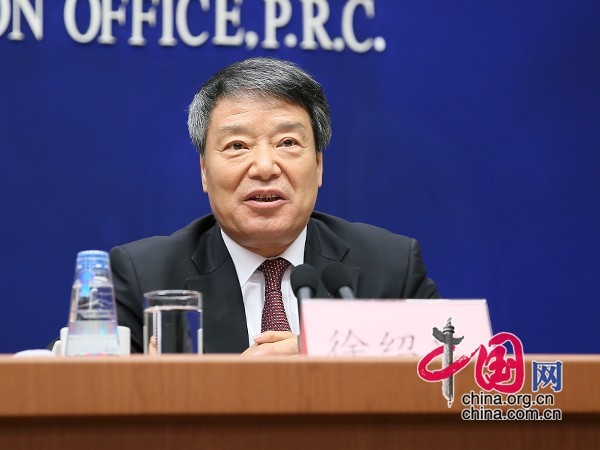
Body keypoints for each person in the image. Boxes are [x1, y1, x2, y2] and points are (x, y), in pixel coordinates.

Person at [110, 57, 439, 355]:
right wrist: (227, 387)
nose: (265, 167)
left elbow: (451, 374)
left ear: (319, 165)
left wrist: (324, 358)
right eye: (237, 146)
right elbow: (95, 392)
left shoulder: (391, 268)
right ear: (204, 171)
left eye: (287, 143)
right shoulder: (144, 277)